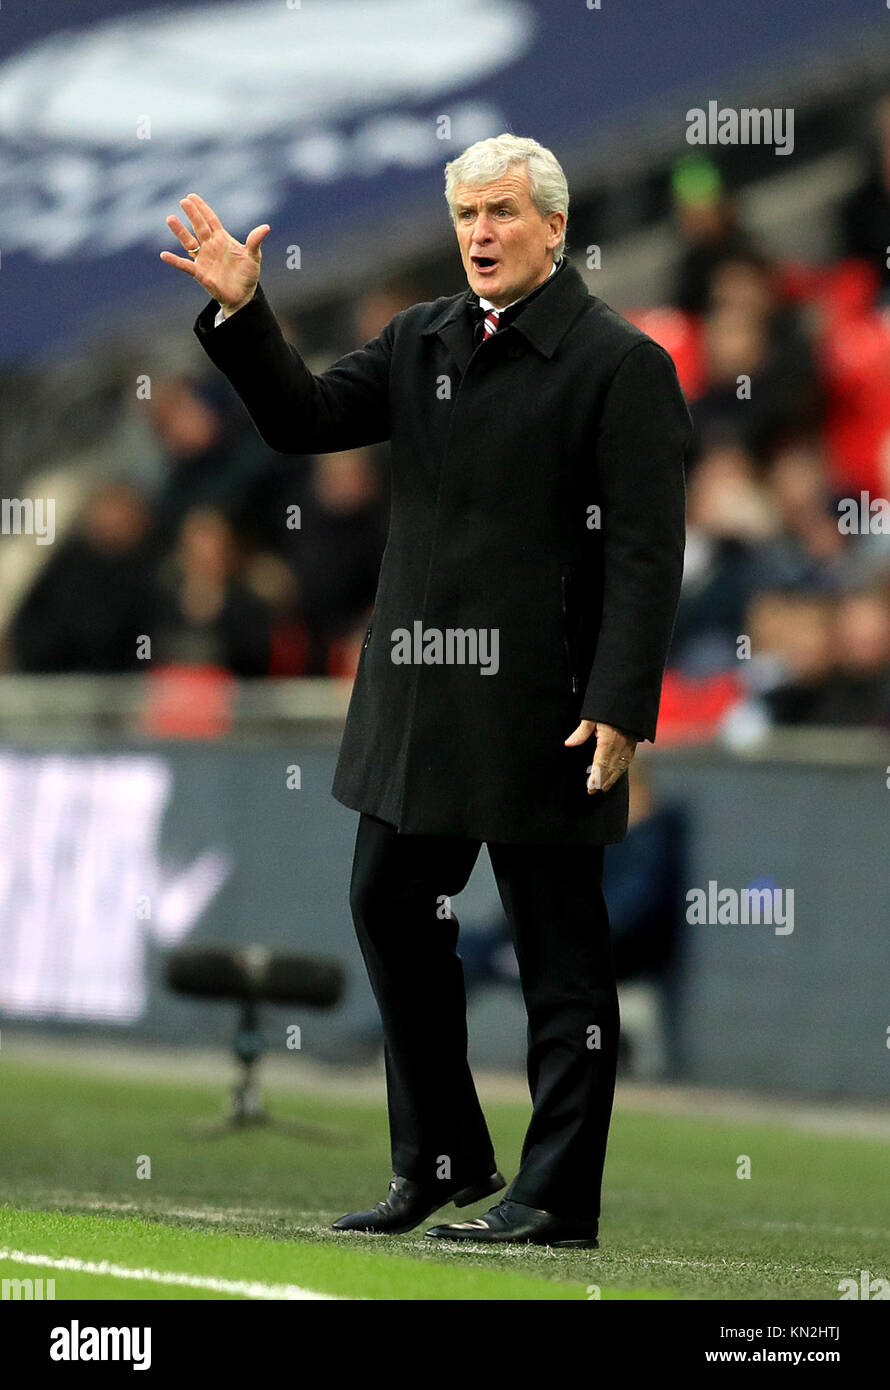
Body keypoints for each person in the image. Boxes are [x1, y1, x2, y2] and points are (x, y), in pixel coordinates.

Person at [161, 134, 692, 1250]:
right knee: (389, 909)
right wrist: (245, 315)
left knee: (561, 957)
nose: (480, 235)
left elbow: (645, 551)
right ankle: (442, 1158)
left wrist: (621, 702)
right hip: (417, 703)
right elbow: (301, 419)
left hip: (548, 710)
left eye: (501, 213)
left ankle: (555, 1197)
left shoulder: (618, 363)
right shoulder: (423, 338)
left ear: (554, 225)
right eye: (464, 215)